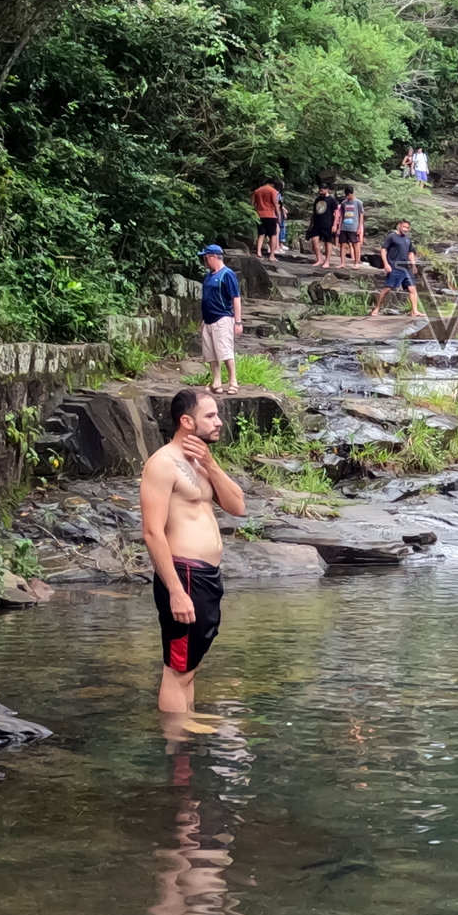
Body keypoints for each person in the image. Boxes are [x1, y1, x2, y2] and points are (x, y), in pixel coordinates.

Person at [140, 388, 247, 713]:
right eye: (210, 416)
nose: (219, 422)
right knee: (178, 670)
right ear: (187, 421)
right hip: (184, 576)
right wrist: (176, 592)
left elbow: (238, 507)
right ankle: (177, 738)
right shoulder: (162, 464)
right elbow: (152, 532)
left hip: (206, 577)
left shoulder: (201, 462)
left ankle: (185, 727)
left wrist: (211, 464)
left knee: (192, 664)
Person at [198, 246, 242, 394]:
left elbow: (236, 298)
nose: (205, 261)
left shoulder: (227, 274)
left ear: (213, 257)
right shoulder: (209, 275)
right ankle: (217, 382)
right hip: (208, 320)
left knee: (225, 351)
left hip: (222, 318)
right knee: (210, 353)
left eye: (205, 258)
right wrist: (204, 320)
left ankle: (233, 382)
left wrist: (238, 321)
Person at [370, 218, 421, 317]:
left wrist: (413, 265)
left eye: (407, 228)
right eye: (404, 227)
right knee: (388, 288)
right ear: (399, 225)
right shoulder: (391, 237)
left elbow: (410, 252)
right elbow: (383, 250)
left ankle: (415, 311)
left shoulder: (407, 238)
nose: (405, 229)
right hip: (394, 266)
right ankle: (377, 308)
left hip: (406, 268)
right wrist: (386, 264)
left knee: (412, 288)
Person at [307, 183, 339, 267]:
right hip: (317, 223)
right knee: (314, 240)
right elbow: (314, 213)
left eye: (322, 190)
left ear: (327, 189)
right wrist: (311, 224)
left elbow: (336, 212)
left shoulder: (331, 200)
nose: (320, 191)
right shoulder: (317, 199)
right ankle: (319, 259)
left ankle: (327, 261)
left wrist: (335, 225)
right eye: (320, 190)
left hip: (327, 224)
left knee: (327, 242)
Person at [251, 179, 281, 261]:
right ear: (272, 184)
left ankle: (258, 252)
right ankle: (272, 255)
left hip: (259, 215)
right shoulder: (273, 191)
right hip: (270, 215)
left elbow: (252, 203)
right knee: (273, 235)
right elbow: (275, 203)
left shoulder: (257, 190)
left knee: (261, 234)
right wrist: (278, 215)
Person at [336, 185, 365, 268]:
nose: (347, 197)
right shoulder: (343, 203)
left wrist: (359, 227)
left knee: (355, 244)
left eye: (349, 195)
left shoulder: (358, 202)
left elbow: (361, 215)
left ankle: (356, 263)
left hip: (353, 227)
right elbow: (341, 215)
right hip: (344, 226)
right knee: (342, 244)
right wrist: (339, 227)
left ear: (352, 193)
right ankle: (342, 263)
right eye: (346, 195)